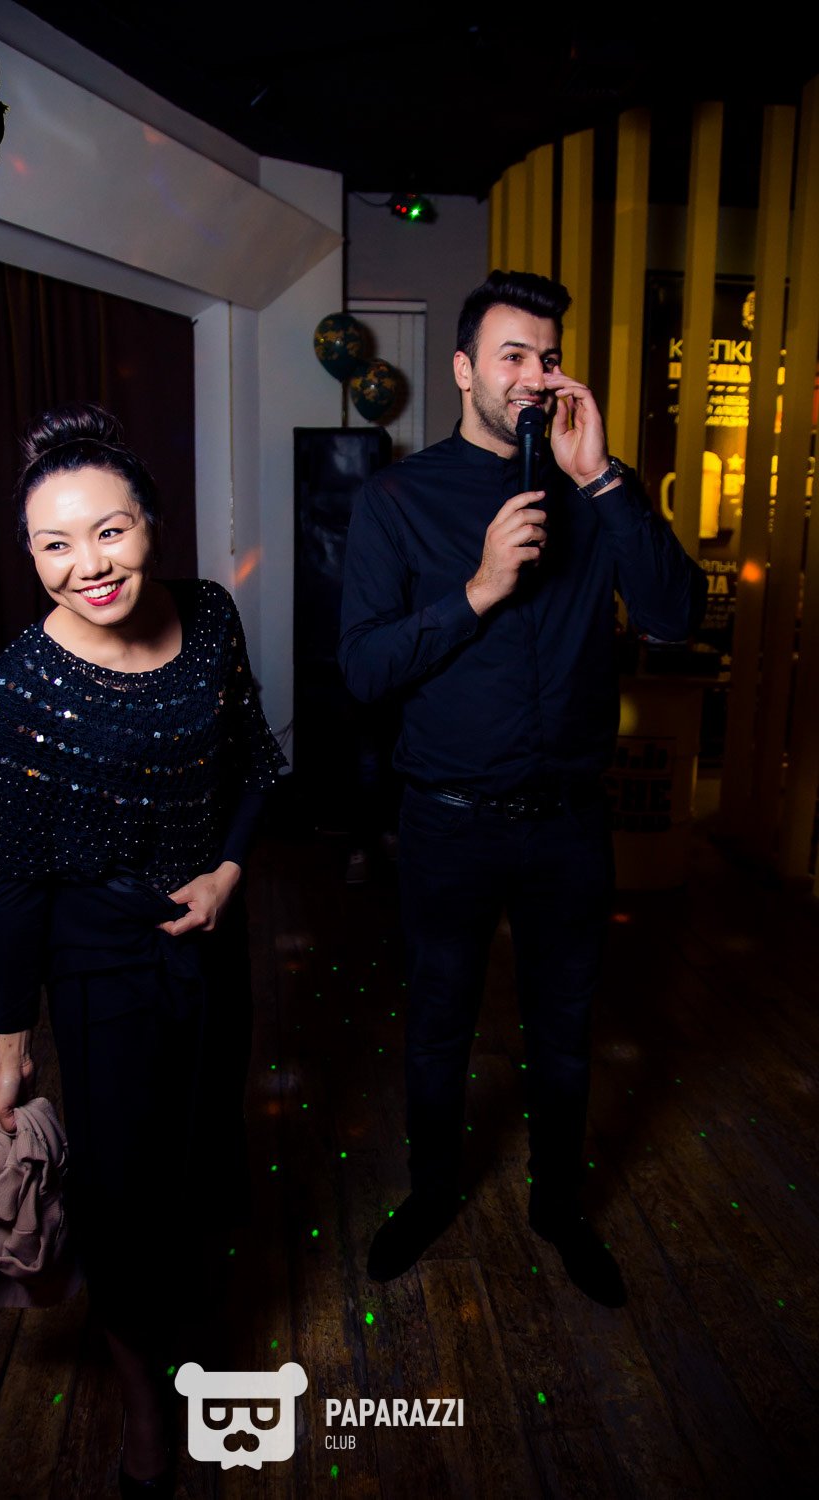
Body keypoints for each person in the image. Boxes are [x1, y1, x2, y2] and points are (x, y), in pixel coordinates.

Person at [338, 270, 706, 1302]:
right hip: (448, 823)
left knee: (565, 1033)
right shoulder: (396, 499)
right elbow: (361, 668)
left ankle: (559, 1208)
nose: (535, 375)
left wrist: (604, 481)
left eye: (547, 357)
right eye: (512, 356)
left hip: (569, 827)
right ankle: (429, 1194)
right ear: (464, 370)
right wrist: (479, 589)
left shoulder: (597, 492)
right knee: (438, 1028)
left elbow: (676, 618)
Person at [0, 402, 285, 1495]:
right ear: (31, 556)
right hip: (99, 960)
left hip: (210, 938)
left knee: (198, 1150)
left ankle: (188, 1321)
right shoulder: (19, 686)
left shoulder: (207, 615)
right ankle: (145, 1408)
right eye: (55, 544)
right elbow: (18, 885)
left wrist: (228, 872)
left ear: (151, 520)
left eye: (109, 531)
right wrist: (12, 1047)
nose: (88, 565)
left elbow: (256, 764)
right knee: (118, 1190)